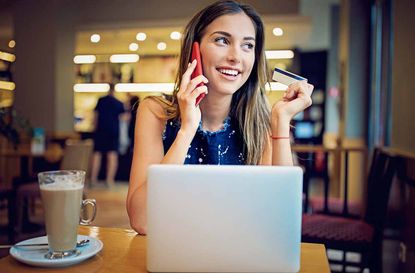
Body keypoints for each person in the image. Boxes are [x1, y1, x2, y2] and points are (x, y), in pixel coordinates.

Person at [127, 0, 313, 235]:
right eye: (222, 40)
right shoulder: (155, 111)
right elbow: (141, 220)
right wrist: (187, 130)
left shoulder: (261, 123)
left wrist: (281, 122)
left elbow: (283, 221)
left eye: (247, 46)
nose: (236, 57)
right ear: (195, 50)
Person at [90, 84, 125, 188]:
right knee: (112, 156)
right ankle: (109, 181)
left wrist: (95, 128)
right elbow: (124, 118)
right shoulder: (119, 103)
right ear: (115, 90)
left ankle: (93, 179)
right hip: (113, 132)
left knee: (97, 155)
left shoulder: (101, 100)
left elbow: (95, 117)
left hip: (100, 131)